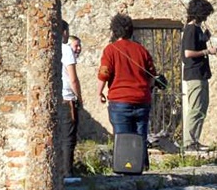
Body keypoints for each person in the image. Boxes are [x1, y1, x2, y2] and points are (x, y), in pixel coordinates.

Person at [97, 14, 157, 169]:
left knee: (122, 137)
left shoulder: (110, 50)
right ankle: (141, 166)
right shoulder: (142, 50)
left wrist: (100, 92)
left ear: (114, 31)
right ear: (131, 31)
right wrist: (146, 89)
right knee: (140, 136)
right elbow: (152, 76)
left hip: (120, 100)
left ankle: (125, 168)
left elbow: (104, 73)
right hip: (142, 100)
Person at [182, 0, 217, 151]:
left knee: (202, 107)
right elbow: (188, 53)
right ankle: (189, 142)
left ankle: (194, 140)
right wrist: (207, 51)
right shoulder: (190, 29)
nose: (206, 18)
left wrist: (205, 38)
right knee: (195, 108)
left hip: (201, 74)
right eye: (205, 14)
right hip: (194, 74)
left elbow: (195, 44)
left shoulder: (196, 29)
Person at [59, 22, 83, 180]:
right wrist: (80, 98)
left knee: (60, 136)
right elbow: (73, 79)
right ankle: (67, 173)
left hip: (57, 97)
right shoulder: (66, 49)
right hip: (67, 98)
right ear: (64, 32)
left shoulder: (55, 49)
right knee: (69, 137)